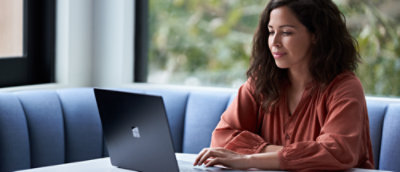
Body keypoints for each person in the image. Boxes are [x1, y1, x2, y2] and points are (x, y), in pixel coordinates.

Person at [193, 0, 374, 171]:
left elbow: (335, 152)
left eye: (286, 32)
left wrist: (247, 159)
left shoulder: (345, 87)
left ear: (316, 35)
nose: (275, 42)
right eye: (271, 31)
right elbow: (222, 137)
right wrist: (293, 153)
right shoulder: (262, 80)